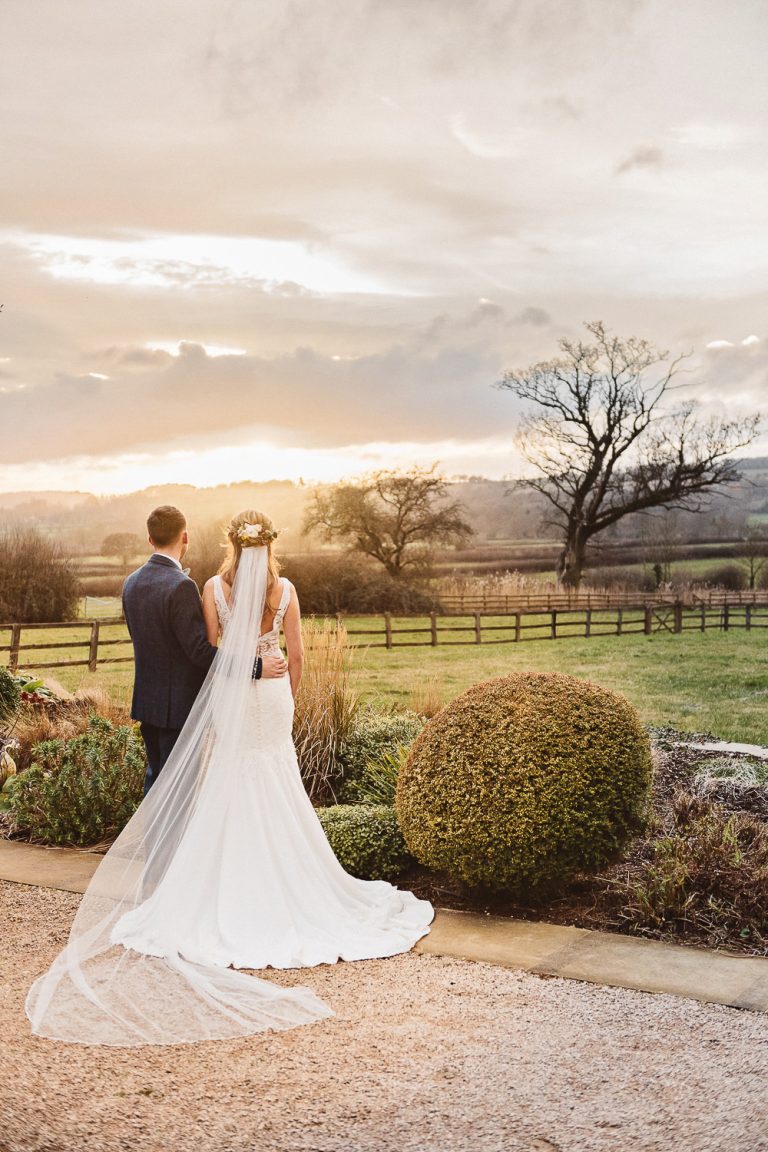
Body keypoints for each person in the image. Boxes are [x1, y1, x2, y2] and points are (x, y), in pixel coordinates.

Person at [26, 510, 433, 1046]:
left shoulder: (206, 587)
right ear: (269, 544)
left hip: (210, 700)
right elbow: (296, 653)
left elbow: (211, 654)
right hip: (270, 694)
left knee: (216, 783)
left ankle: (184, 883)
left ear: (228, 545)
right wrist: (288, 691)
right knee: (274, 779)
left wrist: (234, 681)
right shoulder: (283, 589)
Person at [122, 505, 287, 793]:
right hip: (179, 706)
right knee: (180, 788)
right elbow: (200, 651)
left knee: (156, 779)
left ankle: (155, 839)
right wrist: (257, 667)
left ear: (150, 539)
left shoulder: (131, 583)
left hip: (147, 702)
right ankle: (176, 840)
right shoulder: (181, 585)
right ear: (185, 537)